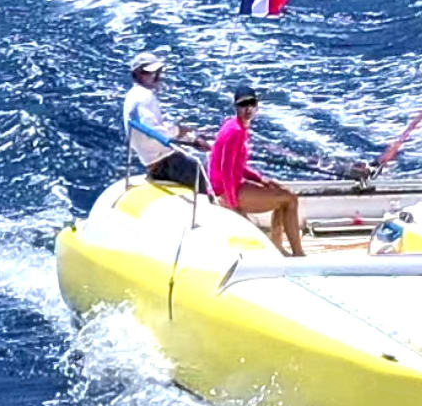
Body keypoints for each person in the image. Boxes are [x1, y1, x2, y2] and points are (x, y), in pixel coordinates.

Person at [204, 83, 307, 256]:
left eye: (251, 103)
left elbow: (238, 166)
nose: (248, 108)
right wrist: (232, 203)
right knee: (290, 200)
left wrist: (261, 180)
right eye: (243, 105)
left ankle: (277, 246)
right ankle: (297, 254)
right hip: (227, 191)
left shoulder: (239, 127)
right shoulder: (235, 131)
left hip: (234, 186)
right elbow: (226, 169)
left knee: (283, 194)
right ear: (236, 107)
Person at [123, 56, 202, 191]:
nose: (157, 77)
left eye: (158, 72)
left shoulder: (132, 95)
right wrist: (178, 130)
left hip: (153, 164)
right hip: (166, 165)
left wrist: (189, 138)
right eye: (151, 73)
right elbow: (155, 133)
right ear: (137, 74)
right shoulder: (144, 97)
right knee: (215, 177)